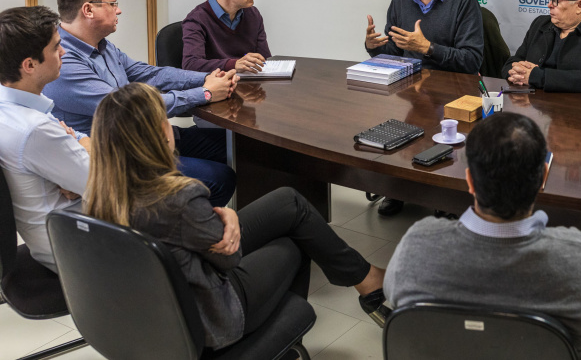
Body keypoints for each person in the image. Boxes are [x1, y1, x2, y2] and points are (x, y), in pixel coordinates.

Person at [83, 82, 391, 350]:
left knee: (289, 202)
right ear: (159, 136)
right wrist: (228, 221)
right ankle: (283, 338)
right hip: (210, 317)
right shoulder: (178, 197)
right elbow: (229, 259)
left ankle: (365, 278)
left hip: (153, 316)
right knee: (293, 242)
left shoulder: (100, 196)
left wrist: (225, 219)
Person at [385, 112, 581, 360]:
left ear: (470, 182)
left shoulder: (416, 246)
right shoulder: (580, 260)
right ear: (542, 177)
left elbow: (392, 294)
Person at [42, 0, 238, 206]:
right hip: (122, 155)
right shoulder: (65, 61)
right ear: (88, 10)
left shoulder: (102, 45)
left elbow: (150, 74)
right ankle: (183, 234)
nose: (119, 10)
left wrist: (207, 78)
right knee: (220, 178)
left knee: (235, 146)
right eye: (113, 4)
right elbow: (129, 109)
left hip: (147, 136)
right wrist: (205, 93)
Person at [365, 0, 484, 216]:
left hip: (452, 91)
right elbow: (394, 50)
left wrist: (428, 48)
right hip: (411, 90)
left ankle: (445, 200)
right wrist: (373, 47)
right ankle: (398, 190)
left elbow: (472, 60)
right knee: (395, 130)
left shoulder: (462, 1)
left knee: (440, 136)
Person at [0, 6, 88, 272]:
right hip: (80, 249)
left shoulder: (11, 108)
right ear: (29, 65)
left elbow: (83, 144)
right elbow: (108, 185)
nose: (64, 53)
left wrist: (77, 144)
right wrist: (78, 145)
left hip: (60, 231)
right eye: (56, 47)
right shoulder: (35, 130)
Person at [182, 0, 271, 73]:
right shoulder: (196, 20)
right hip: (217, 87)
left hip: (249, 85)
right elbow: (191, 64)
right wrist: (234, 64)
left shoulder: (253, 14)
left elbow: (265, 60)